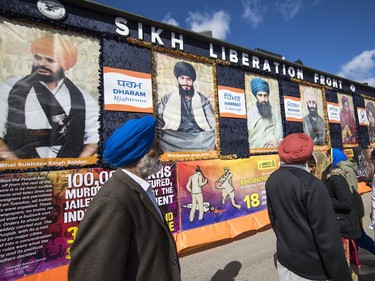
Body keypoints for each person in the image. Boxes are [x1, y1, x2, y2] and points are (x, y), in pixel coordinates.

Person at [68, 116, 181, 281]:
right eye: (155, 147)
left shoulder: (137, 189)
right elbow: (93, 273)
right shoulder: (112, 202)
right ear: (139, 154)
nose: (162, 153)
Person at [266, 133, 351, 281]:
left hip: (286, 262)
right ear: (308, 155)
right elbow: (327, 237)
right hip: (312, 269)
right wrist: (342, 275)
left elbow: (275, 221)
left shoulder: (273, 179)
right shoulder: (312, 185)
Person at [0, 34, 99, 160]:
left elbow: (92, 141)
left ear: (66, 65)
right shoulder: (9, 88)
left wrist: (74, 167)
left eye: (50, 60)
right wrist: (20, 168)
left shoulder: (84, 98)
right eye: (38, 58)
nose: (41, 64)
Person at [156, 61, 215, 152]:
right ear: (178, 79)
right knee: (161, 135)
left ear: (193, 81)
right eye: (182, 78)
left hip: (198, 136)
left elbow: (213, 122)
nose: (186, 83)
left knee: (212, 136)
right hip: (175, 136)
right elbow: (159, 120)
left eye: (189, 79)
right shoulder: (167, 99)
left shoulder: (203, 100)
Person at [323, 149, 362, 276]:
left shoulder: (336, 177)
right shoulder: (330, 176)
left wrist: (324, 199)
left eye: (313, 164)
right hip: (344, 219)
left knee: (348, 257)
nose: (310, 168)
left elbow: (346, 200)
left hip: (345, 221)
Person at [247, 77, 283, 148]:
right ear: (256, 96)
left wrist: (278, 142)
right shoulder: (249, 115)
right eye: (260, 95)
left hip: (272, 153)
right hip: (253, 155)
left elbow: (280, 137)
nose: (263, 99)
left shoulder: (275, 114)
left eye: (265, 95)